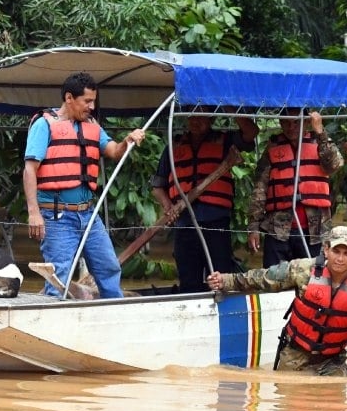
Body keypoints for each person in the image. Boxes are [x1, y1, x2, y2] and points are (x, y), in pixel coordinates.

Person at [23, 71, 146, 299]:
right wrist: (34, 213)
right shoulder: (44, 124)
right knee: (58, 276)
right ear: (69, 98)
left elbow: (113, 151)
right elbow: (30, 169)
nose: (91, 106)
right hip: (56, 215)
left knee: (108, 266)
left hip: (88, 213)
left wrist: (128, 140)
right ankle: (54, 323)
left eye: (93, 101)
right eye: (87, 101)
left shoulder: (92, 126)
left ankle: (115, 311)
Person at [205, 226, 347, 376]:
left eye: (346, 253)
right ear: (326, 249)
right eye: (336, 251)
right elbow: (263, 278)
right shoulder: (303, 269)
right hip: (294, 354)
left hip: (333, 362)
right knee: (290, 409)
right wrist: (226, 280)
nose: (340, 258)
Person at [150, 107, 258, 293]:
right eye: (192, 115)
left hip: (216, 223)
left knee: (220, 277)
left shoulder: (225, 141)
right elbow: (157, 186)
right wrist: (169, 207)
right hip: (184, 224)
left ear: (211, 118)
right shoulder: (173, 146)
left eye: (202, 116)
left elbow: (251, 132)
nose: (195, 120)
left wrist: (230, 107)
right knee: (188, 278)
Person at [248, 110, 344, 267]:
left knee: (314, 280)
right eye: (286, 122)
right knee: (273, 279)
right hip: (277, 230)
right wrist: (253, 227)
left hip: (315, 230)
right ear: (280, 122)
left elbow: (335, 164)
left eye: (295, 122)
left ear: (306, 122)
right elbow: (260, 188)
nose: (290, 127)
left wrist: (321, 132)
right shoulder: (273, 147)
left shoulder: (320, 143)